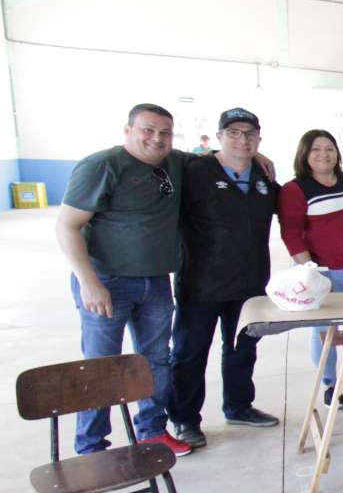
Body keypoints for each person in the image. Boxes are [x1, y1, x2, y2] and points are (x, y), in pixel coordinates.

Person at [57, 103, 195, 455]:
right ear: (128, 129)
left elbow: (223, 153)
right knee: (103, 364)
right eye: (148, 130)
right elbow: (67, 226)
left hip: (155, 281)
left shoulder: (174, 162)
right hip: (107, 281)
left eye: (165, 132)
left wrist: (258, 157)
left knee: (154, 359)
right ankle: (91, 447)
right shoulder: (102, 165)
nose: (157, 138)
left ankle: (151, 431)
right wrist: (88, 281)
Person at [170, 107, 279, 449]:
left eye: (250, 134)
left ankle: (238, 405)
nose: (242, 140)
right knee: (190, 353)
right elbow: (164, 153)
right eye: (233, 133)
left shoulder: (263, 178)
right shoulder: (194, 170)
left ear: (258, 139)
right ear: (218, 137)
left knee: (242, 348)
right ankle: (186, 420)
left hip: (249, 283)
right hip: (202, 282)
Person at [279, 129, 343, 405]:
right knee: (326, 330)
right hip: (327, 273)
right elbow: (291, 234)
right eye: (316, 149)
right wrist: (311, 269)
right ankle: (329, 384)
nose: (324, 154)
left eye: (329, 148)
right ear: (305, 154)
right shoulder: (295, 189)